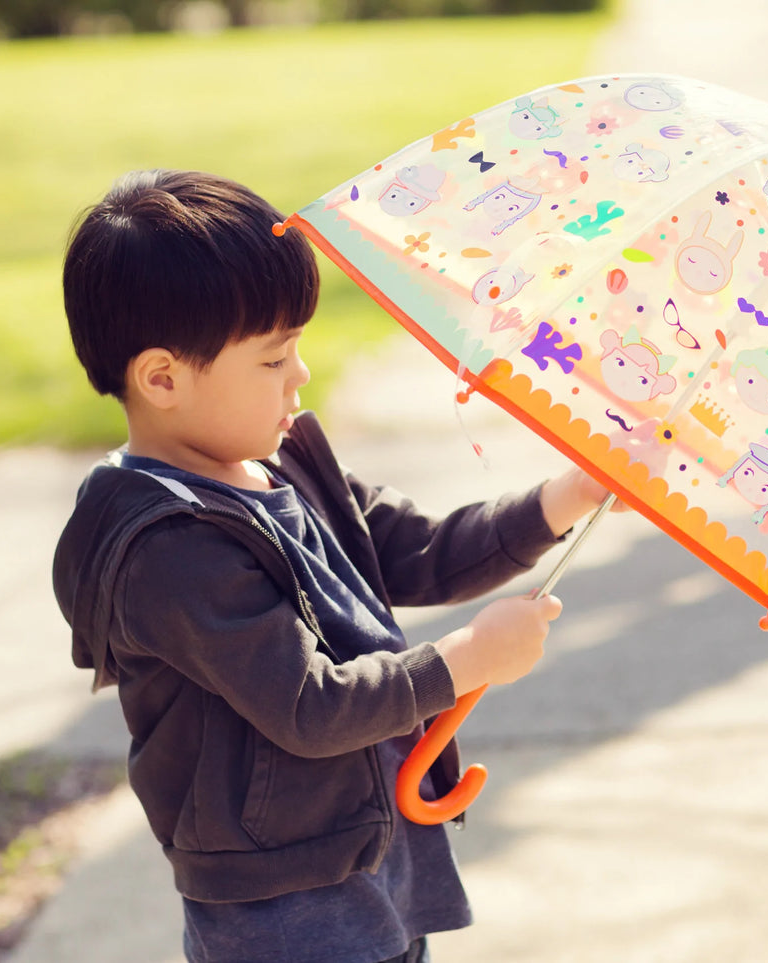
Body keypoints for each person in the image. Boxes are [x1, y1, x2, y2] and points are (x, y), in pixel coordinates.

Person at [52, 170, 613, 963]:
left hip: (369, 843)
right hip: (284, 901)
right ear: (163, 378)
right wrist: (468, 658)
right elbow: (310, 707)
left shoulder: (277, 466)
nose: (301, 375)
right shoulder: (168, 547)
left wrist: (564, 497)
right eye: (273, 358)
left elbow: (415, 550)